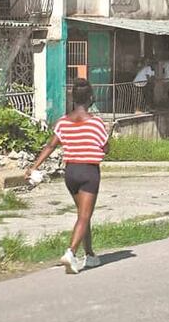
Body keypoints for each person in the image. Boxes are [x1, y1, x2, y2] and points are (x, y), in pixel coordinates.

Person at [26, 79, 109, 274]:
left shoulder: (63, 122)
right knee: (84, 216)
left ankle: (90, 254)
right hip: (89, 171)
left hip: (70, 172)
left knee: (83, 215)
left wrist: (34, 167)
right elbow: (106, 148)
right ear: (90, 98)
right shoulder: (96, 122)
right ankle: (70, 252)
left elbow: (50, 146)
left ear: (73, 98)